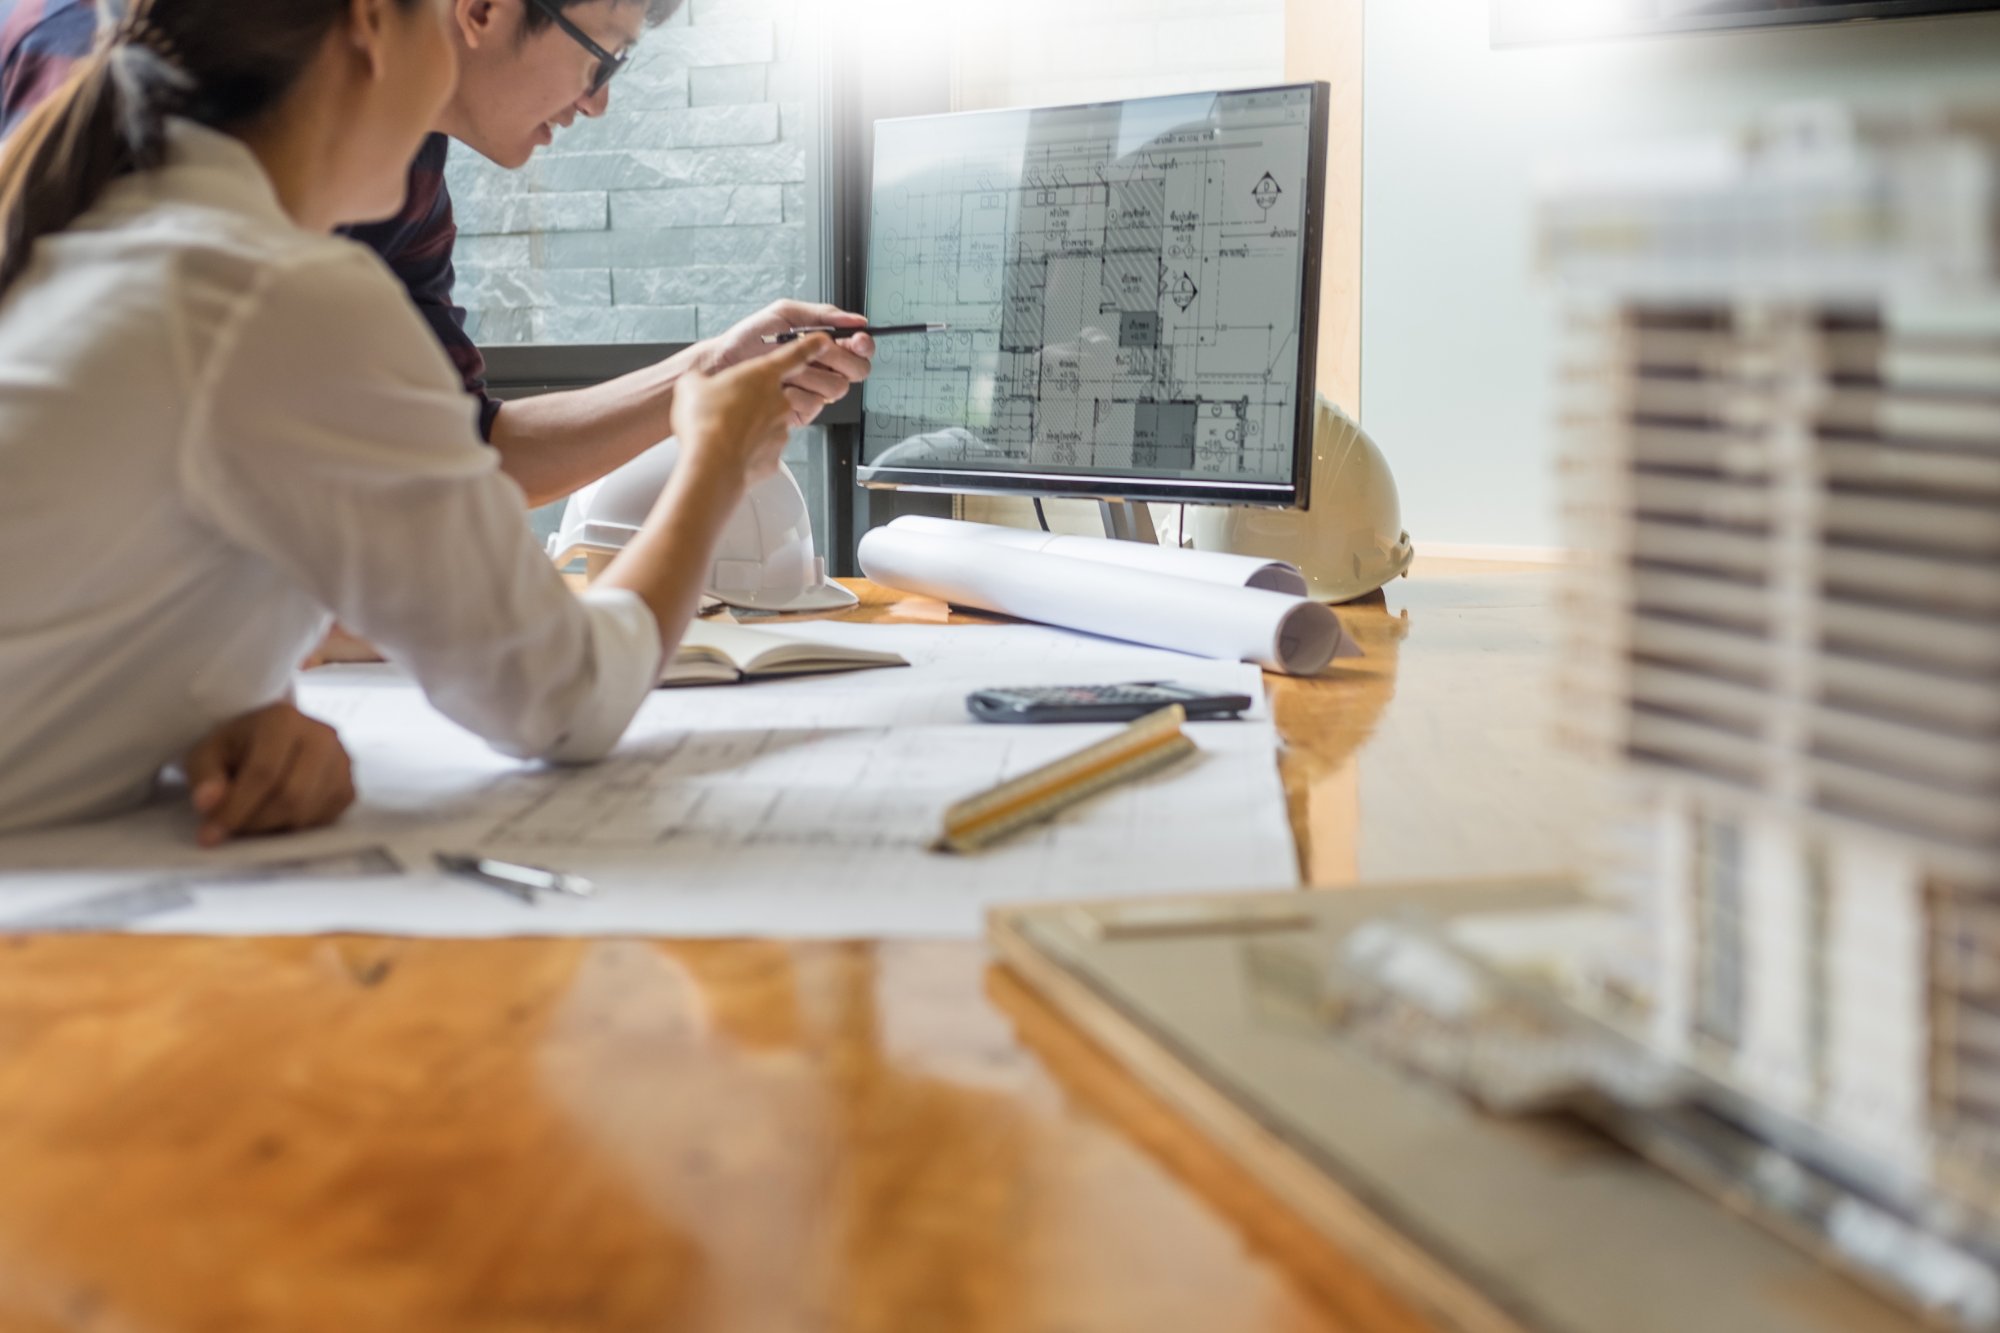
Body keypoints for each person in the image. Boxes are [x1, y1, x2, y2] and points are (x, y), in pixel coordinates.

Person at [0, 0, 829, 842]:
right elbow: (566, 697)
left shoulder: (101, 241)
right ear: (370, 24)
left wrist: (236, 706)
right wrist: (718, 458)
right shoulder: (277, 291)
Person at [0, 0, 876, 507]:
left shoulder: (404, 179)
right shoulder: (109, 66)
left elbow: (468, 446)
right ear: (483, 11)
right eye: (605, 60)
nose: (599, 104)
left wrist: (706, 376)